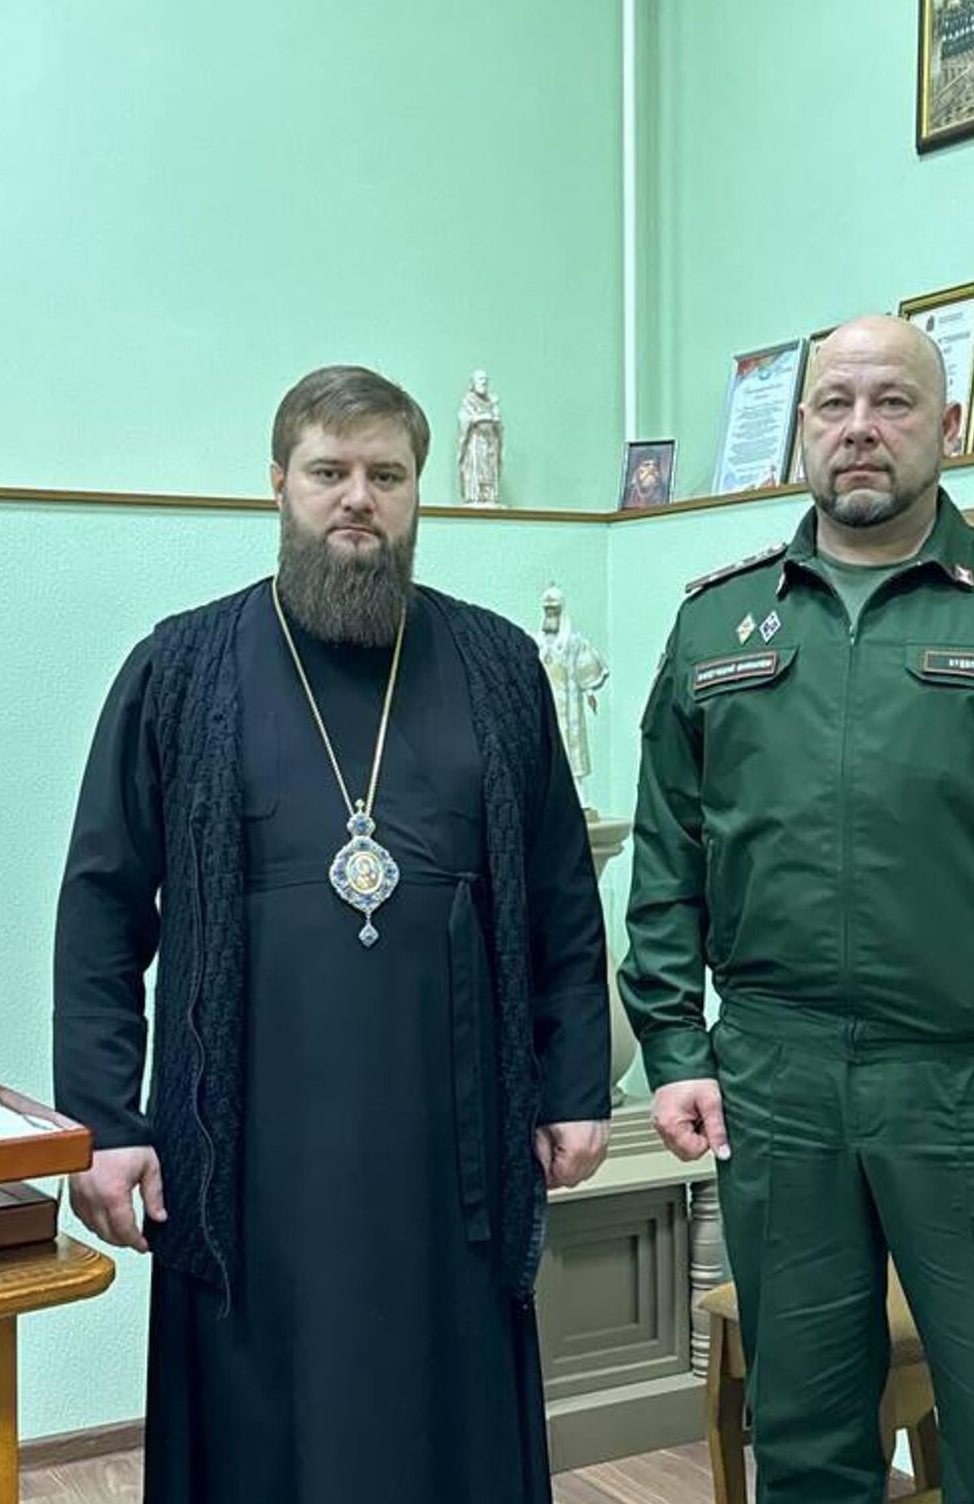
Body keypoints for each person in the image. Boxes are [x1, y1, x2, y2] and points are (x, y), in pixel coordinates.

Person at [621, 315, 974, 1504]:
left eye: (893, 401)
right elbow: (668, 854)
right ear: (802, 429)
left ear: (949, 426)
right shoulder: (718, 620)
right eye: (835, 404)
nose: (861, 428)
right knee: (804, 1440)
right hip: (776, 1080)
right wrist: (674, 1045)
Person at [53, 364, 611, 1504]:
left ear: (418, 493)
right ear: (279, 483)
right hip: (246, 1164)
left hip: (453, 1159)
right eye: (330, 471)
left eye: (386, 475)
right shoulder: (181, 668)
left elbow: (562, 897)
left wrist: (574, 1085)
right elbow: (103, 908)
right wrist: (104, 1122)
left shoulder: (499, 668)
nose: (358, 497)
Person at [534, 584, 608, 809]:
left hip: (569, 704)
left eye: (554, 610)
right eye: (547, 610)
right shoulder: (537, 641)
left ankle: (580, 798)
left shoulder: (573, 642)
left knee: (572, 751)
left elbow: (584, 666)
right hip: (546, 702)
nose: (550, 615)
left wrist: (589, 691)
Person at [457, 368, 503, 504]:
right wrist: (479, 418)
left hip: (490, 442)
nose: (484, 382)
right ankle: (475, 495)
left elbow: (498, 424)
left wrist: (495, 421)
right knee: (476, 469)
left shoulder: (492, 402)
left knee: (489, 470)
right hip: (475, 441)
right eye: (480, 379)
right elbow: (464, 421)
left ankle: (489, 495)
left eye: (485, 380)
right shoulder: (468, 401)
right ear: (473, 383)